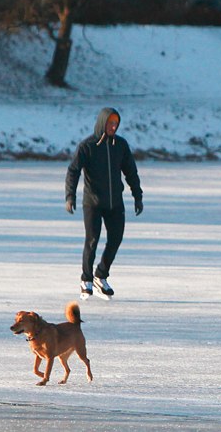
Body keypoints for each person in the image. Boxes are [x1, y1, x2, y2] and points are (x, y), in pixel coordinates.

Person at [65, 107, 143, 299]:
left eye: (116, 123)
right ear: (102, 123)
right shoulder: (87, 146)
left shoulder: (120, 145)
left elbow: (130, 172)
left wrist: (137, 195)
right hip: (93, 202)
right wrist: (70, 196)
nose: (113, 127)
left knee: (116, 239)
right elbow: (73, 171)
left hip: (115, 202)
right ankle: (86, 280)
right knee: (92, 240)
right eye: (110, 123)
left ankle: (101, 275)